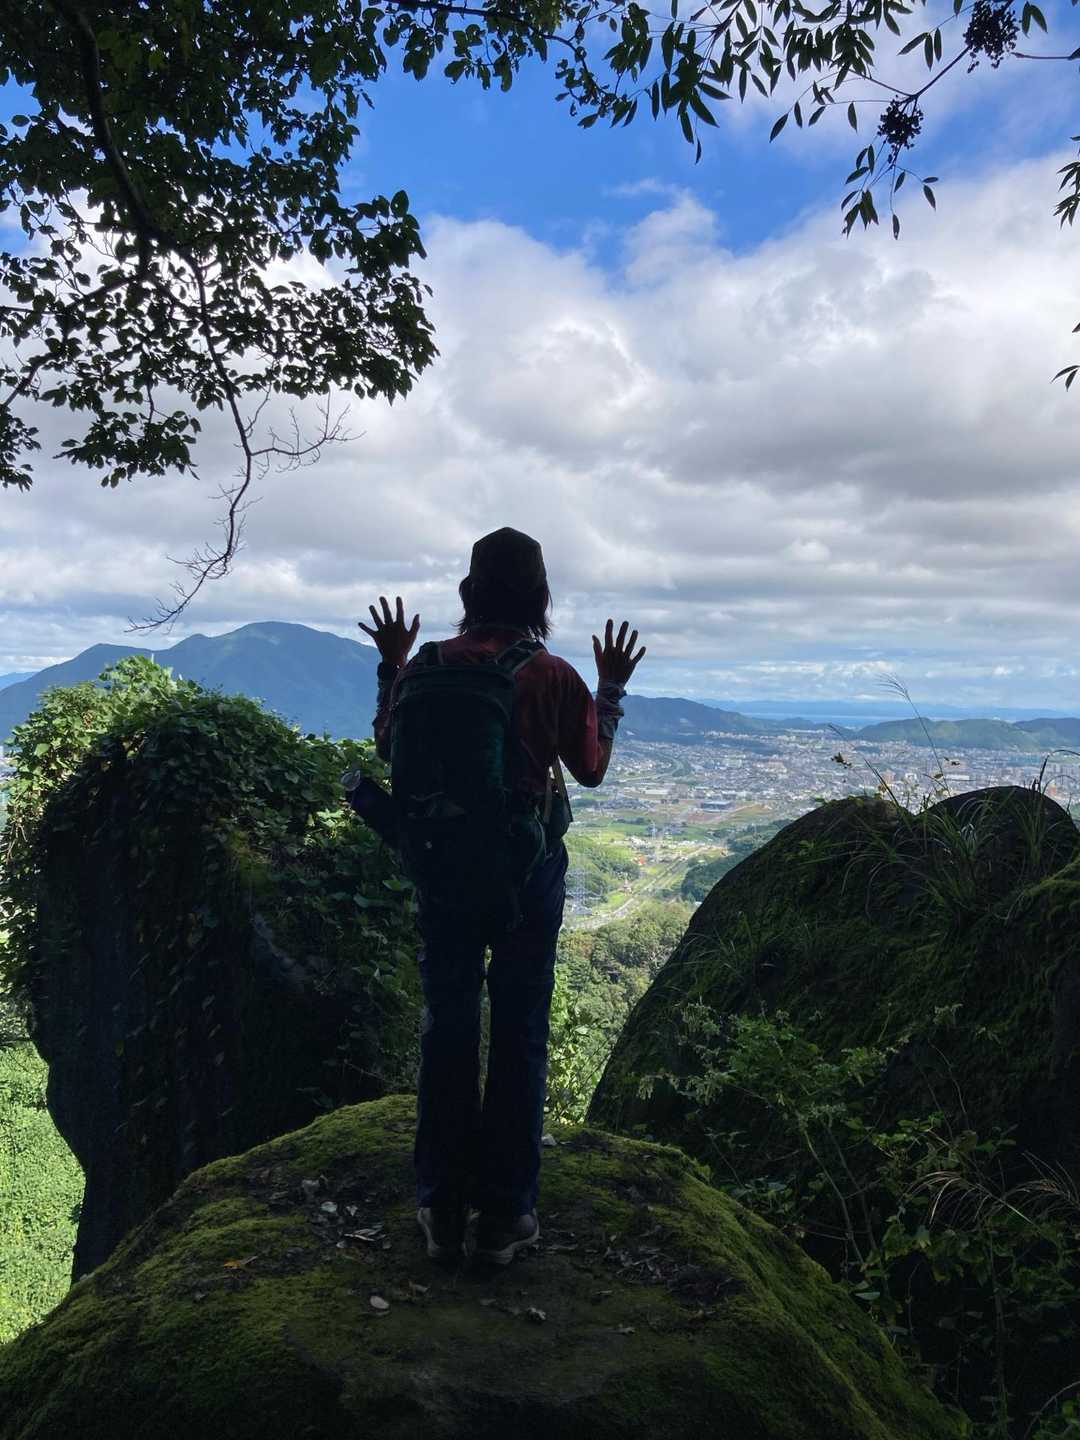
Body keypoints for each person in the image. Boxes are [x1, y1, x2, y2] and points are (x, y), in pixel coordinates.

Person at [359, 527, 645, 1265]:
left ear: (468, 592)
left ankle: (440, 1205)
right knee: (519, 1029)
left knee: (448, 1026)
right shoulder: (552, 675)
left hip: (442, 869)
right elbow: (590, 769)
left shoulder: (428, 666)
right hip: (526, 875)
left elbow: (388, 746)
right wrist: (610, 690)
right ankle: (506, 1214)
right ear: (542, 598)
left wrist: (391, 665)